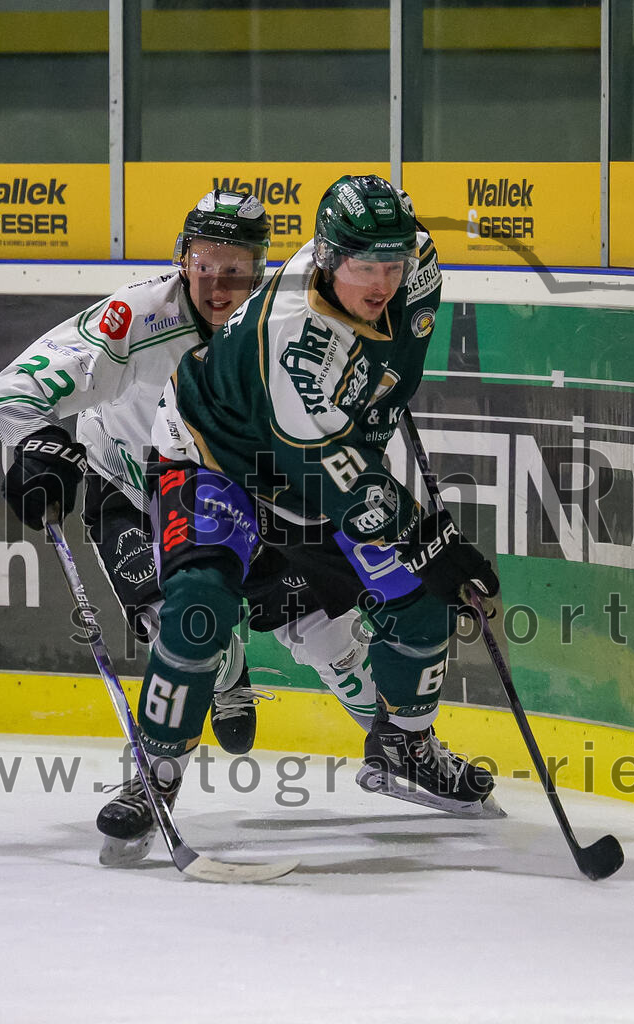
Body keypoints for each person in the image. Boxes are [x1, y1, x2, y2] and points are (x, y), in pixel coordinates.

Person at [96, 173, 502, 856]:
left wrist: (380, 397)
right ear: (326, 255)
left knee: (421, 600)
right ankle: (155, 773)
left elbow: (400, 347)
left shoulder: (418, 261)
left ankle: (406, 744)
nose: (380, 281)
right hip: (211, 454)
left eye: (391, 263)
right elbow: (332, 472)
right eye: (362, 266)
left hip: (312, 455)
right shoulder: (295, 340)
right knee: (198, 608)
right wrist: (427, 537)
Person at [0, 189, 281, 754]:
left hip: (222, 496)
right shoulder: (139, 315)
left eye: (235, 270)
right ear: (182, 259)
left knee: (311, 625)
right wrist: (36, 444)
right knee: (162, 620)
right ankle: (224, 672)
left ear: (259, 270)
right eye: (203, 264)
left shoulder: (275, 328)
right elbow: (16, 390)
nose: (216, 286)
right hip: (124, 483)